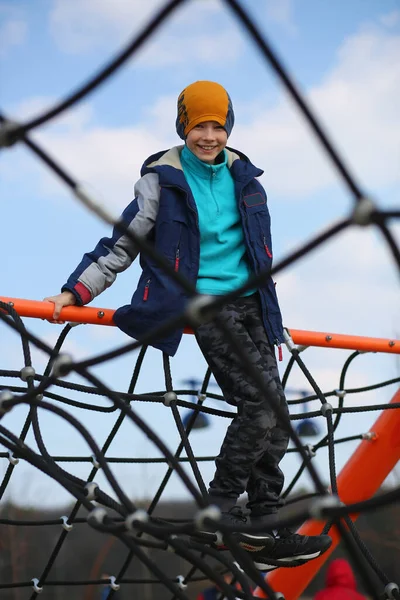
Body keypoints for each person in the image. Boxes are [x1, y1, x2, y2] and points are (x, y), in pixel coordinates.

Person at [44, 80, 332, 570]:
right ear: (183, 126)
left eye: (217, 125)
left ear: (229, 128)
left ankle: (265, 525)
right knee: (258, 407)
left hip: (254, 306)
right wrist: (75, 291)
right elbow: (122, 246)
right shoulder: (163, 181)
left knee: (278, 417)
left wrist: (272, 311)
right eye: (199, 125)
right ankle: (217, 510)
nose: (209, 135)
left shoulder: (247, 180)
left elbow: (257, 253)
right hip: (205, 305)